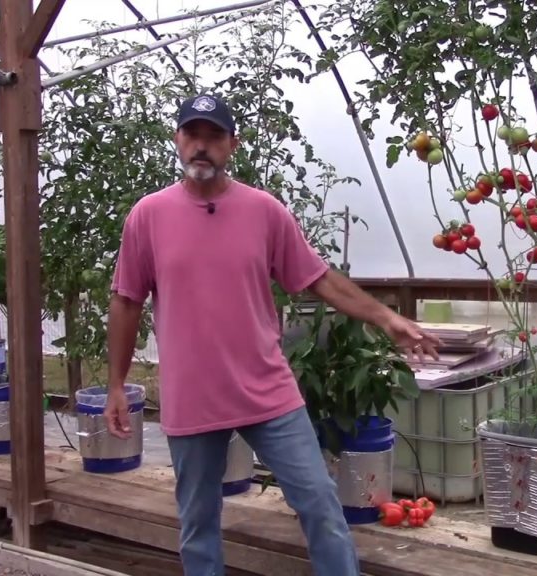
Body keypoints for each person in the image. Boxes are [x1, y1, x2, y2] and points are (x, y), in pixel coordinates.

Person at [103, 92, 441, 576]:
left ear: (232, 145)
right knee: (198, 522)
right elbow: (127, 299)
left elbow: (317, 277)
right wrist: (117, 385)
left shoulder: (264, 211)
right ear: (177, 140)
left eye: (214, 136)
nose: (202, 145)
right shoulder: (148, 216)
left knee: (320, 503)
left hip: (267, 391)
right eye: (192, 134)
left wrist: (386, 319)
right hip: (192, 394)